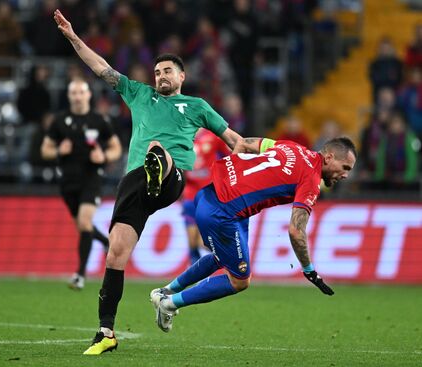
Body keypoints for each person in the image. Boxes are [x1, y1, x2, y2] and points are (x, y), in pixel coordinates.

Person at [54, 9, 242, 355]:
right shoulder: (139, 94)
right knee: (116, 253)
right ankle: (106, 332)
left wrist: (265, 154)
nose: (160, 76)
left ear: (182, 76)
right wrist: (72, 37)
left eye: (167, 71)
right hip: (133, 183)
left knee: (158, 151)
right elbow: (100, 68)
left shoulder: (197, 106)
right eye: (157, 72)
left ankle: (159, 172)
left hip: (171, 178)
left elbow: (233, 140)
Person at [149, 136, 357, 333]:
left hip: (212, 194)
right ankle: (169, 304)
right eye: (344, 167)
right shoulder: (311, 180)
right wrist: (309, 270)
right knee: (240, 280)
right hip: (224, 213)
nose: (346, 174)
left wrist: (234, 176)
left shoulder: (292, 147)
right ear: (329, 157)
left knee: (223, 258)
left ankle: (165, 292)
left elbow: (245, 143)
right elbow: (296, 231)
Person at [41, 78, 122, 290]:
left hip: (91, 179)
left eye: (81, 92)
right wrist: (59, 151)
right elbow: (45, 149)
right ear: (69, 96)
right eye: (73, 93)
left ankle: (80, 274)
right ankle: (105, 242)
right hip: (67, 182)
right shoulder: (59, 121)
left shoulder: (99, 120)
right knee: (82, 226)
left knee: (85, 224)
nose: (77, 96)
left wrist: (103, 156)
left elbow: (116, 148)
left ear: (88, 95)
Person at [182, 129, 229, 265]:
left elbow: (230, 155)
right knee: (192, 241)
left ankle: (228, 256)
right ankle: (194, 270)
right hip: (190, 194)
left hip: (207, 195)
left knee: (202, 241)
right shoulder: (181, 136)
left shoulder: (213, 136)